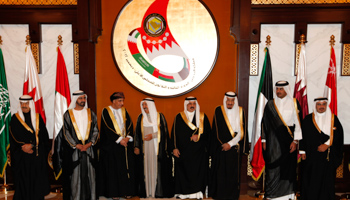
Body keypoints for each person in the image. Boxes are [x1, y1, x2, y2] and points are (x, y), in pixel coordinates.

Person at [261, 81, 302, 200]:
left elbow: (298, 124)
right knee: (273, 168)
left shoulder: (294, 103)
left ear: (286, 90)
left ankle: (287, 195)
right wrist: (264, 140)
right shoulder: (270, 104)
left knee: (287, 168)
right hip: (273, 142)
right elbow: (264, 123)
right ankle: (272, 195)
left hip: (288, 141)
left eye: (281, 89)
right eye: (277, 89)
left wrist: (295, 141)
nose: (278, 91)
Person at [300, 97, 343, 200]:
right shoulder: (308, 119)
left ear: (326, 105)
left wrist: (327, 144)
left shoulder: (333, 118)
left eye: (324, 104)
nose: (321, 107)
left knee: (326, 181)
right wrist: (302, 151)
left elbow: (338, 135)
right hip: (311, 156)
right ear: (315, 105)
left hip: (327, 157)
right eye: (319, 104)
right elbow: (302, 136)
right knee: (311, 181)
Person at [209, 92, 249, 200]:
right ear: (225, 101)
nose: (230, 103)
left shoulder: (240, 111)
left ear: (235, 101)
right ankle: (220, 196)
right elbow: (216, 130)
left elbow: (241, 132)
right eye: (228, 101)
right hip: (221, 147)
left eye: (232, 101)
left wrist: (230, 144)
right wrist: (224, 144)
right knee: (221, 173)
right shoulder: (218, 110)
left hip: (235, 148)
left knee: (233, 174)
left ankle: (232, 196)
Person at [9, 95, 50, 200]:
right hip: (22, 157)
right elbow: (14, 135)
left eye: (26, 103)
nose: (24, 106)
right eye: (22, 103)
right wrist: (24, 146)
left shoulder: (37, 117)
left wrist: (32, 145)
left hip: (36, 156)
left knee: (36, 182)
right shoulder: (15, 118)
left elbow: (43, 135)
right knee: (23, 183)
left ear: (30, 104)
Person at [170, 96, 211, 199]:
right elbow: (174, 134)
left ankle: (197, 194)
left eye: (194, 104)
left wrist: (199, 136)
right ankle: (183, 194)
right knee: (183, 173)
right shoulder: (179, 117)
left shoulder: (203, 117)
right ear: (186, 105)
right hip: (183, 152)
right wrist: (174, 148)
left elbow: (209, 134)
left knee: (198, 173)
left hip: (199, 153)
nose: (192, 106)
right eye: (190, 104)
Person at [61, 90, 99, 200]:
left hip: (89, 149)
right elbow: (66, 132)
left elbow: (96, 130)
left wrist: (89, 143)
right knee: (75, 177)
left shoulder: (90, 113)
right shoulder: (68, 114)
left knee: (91, 176)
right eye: (80, 98)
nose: (83, 100)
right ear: (75, 100)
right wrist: (76, 145)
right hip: (74, 151)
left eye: (84, 98)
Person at [98, 92, 135, 199]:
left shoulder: (124, 111)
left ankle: (126, 192)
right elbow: (107, 127)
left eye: (123, 100)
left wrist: (127, 137)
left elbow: (130, 125)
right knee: (114, 171)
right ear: (113, 101)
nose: (122, 103)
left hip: (125, 145)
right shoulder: (106, 111)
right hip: (112, 146)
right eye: (120, 101)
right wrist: (119, 140)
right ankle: (114, 193)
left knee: (125, 169)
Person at [134, 98, 174, 198]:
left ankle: (157, 191)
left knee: (157, 167)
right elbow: (137, 133)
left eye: (146, 105)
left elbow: (165, 132)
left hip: (157, 148)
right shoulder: (141, 117)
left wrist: (153, 135)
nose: (144, 107)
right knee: (145, 167)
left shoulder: (159, 116)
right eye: (143, 105)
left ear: (151, 105)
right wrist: (136, 146)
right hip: (145, 148)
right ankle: (147, 191)